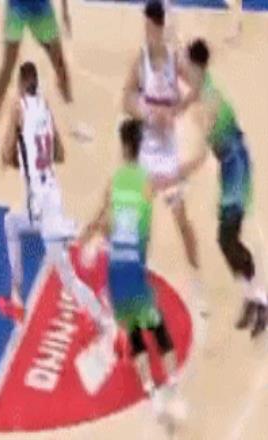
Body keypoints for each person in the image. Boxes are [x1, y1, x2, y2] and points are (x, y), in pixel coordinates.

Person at [81, 118, 206, 432]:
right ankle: (173, 391)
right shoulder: (148, 183)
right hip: (136, 271)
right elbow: (173, 180)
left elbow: (101, 221)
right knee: (160, 333)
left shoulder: (114, 183)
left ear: (123, 147)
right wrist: (198, 159)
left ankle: (152, 394)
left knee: (135, 337)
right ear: (140, 147)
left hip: (116, 272)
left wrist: (87, 239)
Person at [0, 62, 113, 341]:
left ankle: (104, 320)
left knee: (67, 274)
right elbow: (59, 154)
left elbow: (5, 153)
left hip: (39, 203)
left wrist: (17, 154)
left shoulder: (18, 108)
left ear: (20, 85)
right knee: (12, 223)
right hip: (52, 194)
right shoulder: (45, 107)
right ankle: (17, 298)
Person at [185, 38, 267, 337]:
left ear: (195, 66)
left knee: (227, 238)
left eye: (187, 64)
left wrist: (177, 174)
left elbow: (200, 154)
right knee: (226, 240)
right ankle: (252, 295)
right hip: (229, 167)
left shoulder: (210, 99)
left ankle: (260, 298)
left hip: (236, 169)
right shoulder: (200, 85)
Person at [122, 0, 201, 276]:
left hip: (167, 153)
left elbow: (198, 86)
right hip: (146, 151)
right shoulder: (140, 61)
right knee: (138, 219)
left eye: (149, 26)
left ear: (157, 27)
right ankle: (133, 273)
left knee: (182, 221)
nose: (146, 31)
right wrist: (147, 114)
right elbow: (126, 100)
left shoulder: (174, 60)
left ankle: (196, 279)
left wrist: (175, 111)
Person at [0, 0, 91, 170]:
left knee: (60, 64)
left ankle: (73, 122)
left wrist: (65, 12)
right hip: (17, 8)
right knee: (7, 68)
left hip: (41, 8)